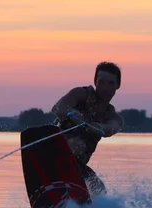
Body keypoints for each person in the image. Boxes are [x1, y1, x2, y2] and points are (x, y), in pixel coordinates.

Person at [51, 61, 124, 197]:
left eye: (110, 83)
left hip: (77, 167)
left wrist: (100, 127)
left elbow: (112, 128)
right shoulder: (81, 94)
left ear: (118, 85)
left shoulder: (113, 116)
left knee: (100, 190)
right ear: (95, 82)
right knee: (77, 144)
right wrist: (71, 113)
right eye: (101, 82)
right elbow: (57, 107)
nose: (105, 88)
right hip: (54, 153)